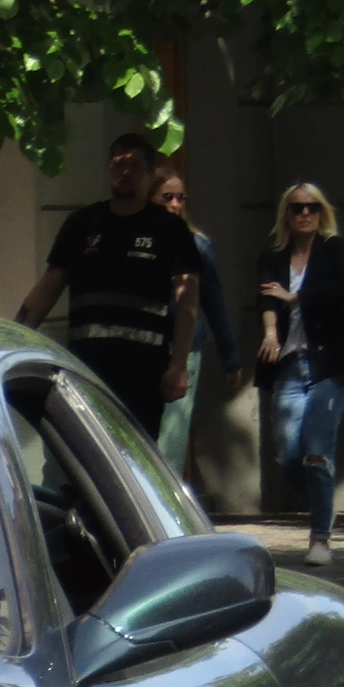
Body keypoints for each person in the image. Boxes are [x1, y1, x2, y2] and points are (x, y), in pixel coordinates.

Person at [16, 132, 201, 435]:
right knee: (84, 455)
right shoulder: (83, 224)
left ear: (149, 173)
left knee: (134, 462)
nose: (124, 172)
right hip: (88, 369)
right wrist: (18, 335)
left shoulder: (170, 230)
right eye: (117, 164)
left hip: (143, 372)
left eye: (134, 165)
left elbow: (188, 299)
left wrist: (179, 363)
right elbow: (49, 287)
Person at [255, 181, 344, 567]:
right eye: (297, 208)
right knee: (287, 456)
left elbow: (343, 289)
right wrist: (270, 332)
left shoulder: (334, 250)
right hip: (289, 366)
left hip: (328, 366)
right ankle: (324, 504)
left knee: (317, 453)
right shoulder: (274, 255)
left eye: (312, 207)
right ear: (286, 213)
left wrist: (297, 296)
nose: (304, 214)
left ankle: (320, 538)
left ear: (322, 212)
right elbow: (266, 296)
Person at [149, 165, 244, 483]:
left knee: (171, 439)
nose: (175, 204)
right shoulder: (137, 243)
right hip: (143, 347)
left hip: (185, 350)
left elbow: (214, 302)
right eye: (167, 197)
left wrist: (231, 359)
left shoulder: (196, 246)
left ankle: (167, 518)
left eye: (180, 197)